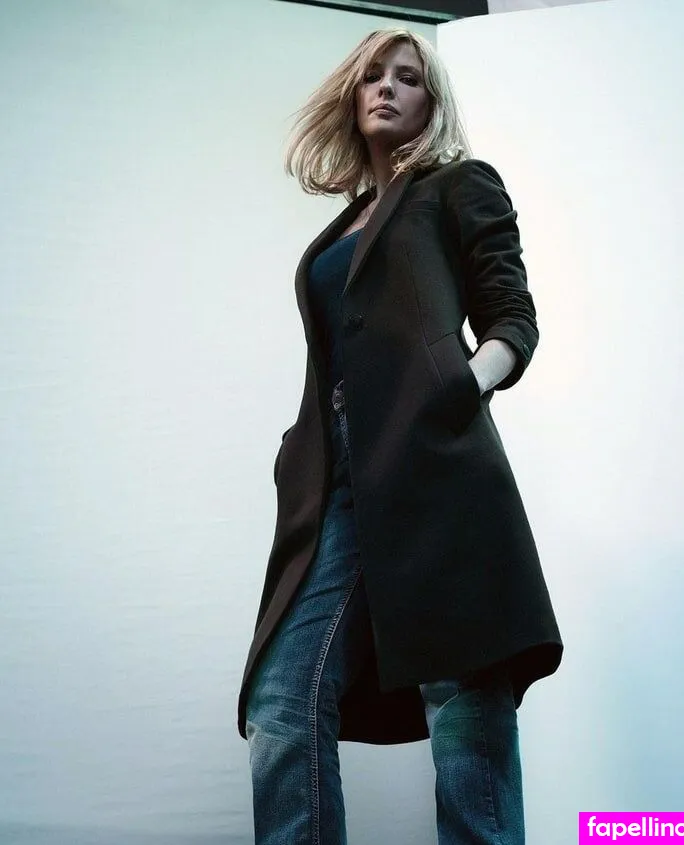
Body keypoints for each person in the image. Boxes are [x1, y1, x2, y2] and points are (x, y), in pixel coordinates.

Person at [237, 27, 563, 845]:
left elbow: (512, 316)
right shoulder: (341, 227)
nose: (387, 87)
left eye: (408, 77)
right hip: (338, 485)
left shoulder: (457, 186)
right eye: (373, 75)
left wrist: (455, 388)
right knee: (282, 696)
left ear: (432, 102)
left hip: (435, 469)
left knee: (462, 705)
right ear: (352, 95)